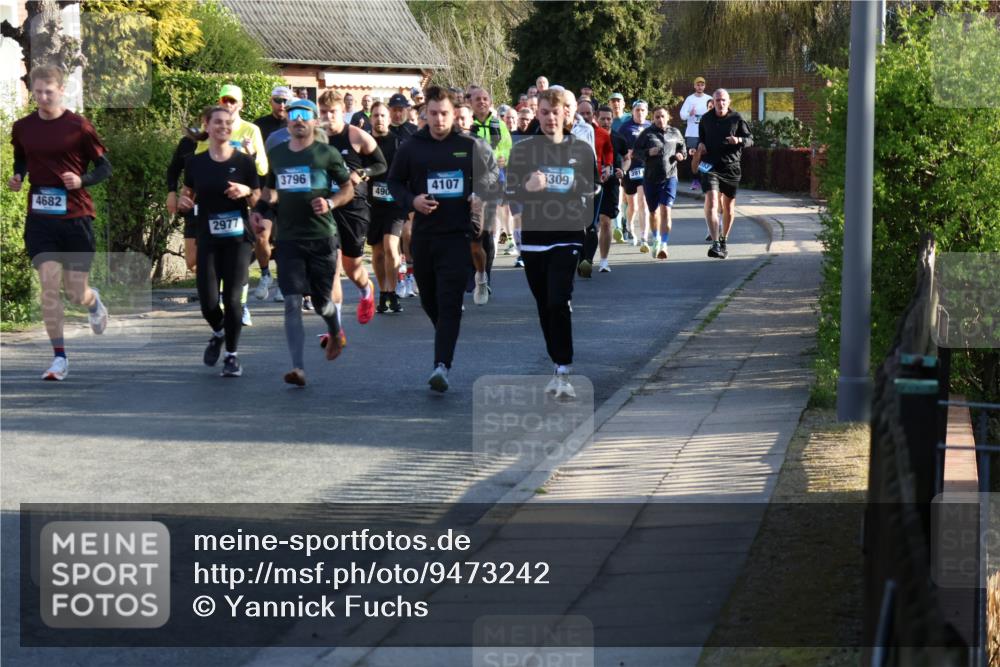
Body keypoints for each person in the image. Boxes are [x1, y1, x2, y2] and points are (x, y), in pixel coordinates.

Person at [387, 85, 498, 392]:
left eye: (444, 114)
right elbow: (394, 182)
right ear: (425, 114)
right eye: (432, 114)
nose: (438, 120)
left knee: (449, 301)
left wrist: (479, 194)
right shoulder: (412, 146)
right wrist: (412, 200)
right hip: (424, 235)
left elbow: (491, 176)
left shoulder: (470, 145)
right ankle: (446, 333)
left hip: (458, 234)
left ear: (455, 113)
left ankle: (441, 366)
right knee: (429, 299)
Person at [8, 65, 111, 381]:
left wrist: (82, 180)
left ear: (61, 90)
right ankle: (59, 358)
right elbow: (22, 157)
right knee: (49, 287)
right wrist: (19, 175)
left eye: (47, 92)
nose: (41, 97)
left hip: (76, 218)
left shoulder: (78, 126)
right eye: (36, 92)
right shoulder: (23, 127)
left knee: (75, 292)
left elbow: (104, 167)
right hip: (40, 219)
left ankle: (93, 303)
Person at [252, 99, 354, 386]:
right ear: (288, 121)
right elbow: (270, 192)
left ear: (313, 121)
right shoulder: (279, 155)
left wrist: (331, 203)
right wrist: (258, 212)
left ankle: (335, 330)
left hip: (321, 237)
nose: (298, 120)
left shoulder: (327, 154)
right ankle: (297, 368)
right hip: (289, 239)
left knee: (322, 303)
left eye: (304, 115)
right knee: (292, 301)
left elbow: (348, 188)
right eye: (293, 115)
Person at [505, 89, 597, 400]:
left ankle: (564, 368)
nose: (549, 118)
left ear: (565, 115)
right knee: (545, 305)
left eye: (555, 112)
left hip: (568, 233)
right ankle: (557, 362)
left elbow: (592, 186)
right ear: (538, 113)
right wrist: (526, 188)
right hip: (534, 239)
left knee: (559, 299)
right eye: (543, 112)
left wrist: (567, 182)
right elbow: (511, 191)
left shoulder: (581, 149)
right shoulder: (524, 150)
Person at [178, 106, 261, 377]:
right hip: (209, 238)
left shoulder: (245, 161)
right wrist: (184, 201)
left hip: (238, 239)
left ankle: (232, 356)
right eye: (218, 122)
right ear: (207, 125)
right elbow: (188, 192)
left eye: (228, 123)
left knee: (234, 299)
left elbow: (258, 199)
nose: (224, 127)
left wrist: (246, 190)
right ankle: (218, 331)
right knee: (209, 302)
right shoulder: (196, 163)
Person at [197, 84, 268, 325]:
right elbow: (197, 160)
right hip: (213, 203)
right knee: (213, 260)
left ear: (240, 105)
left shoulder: (251, 129)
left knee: (240, 257)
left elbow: (263, 169)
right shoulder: (212, 127)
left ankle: (240, 305)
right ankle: (219, 303)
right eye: (224, 99)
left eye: (233, 100)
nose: (228, 104)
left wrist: (251, 155)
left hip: (243, 203)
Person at [317, 90, 386, 327]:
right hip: (325, 208)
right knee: (332, 268)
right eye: (323, 112)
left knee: (351, 267)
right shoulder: (314, 139)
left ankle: (366, 289)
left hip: (354, 208)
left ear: (342, 112)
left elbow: (381, 164)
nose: (328, 117)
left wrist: (362, 173)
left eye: (333, 112)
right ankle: (335, 329)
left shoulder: (356, 136)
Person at [468, 86, 512, 304]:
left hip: (493, 183)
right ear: (471, 103)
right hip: (471, 182)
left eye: (485, 98)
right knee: (472, 231)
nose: (482, 102)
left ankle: (487, 276)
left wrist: (501, 156)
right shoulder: (468, 125)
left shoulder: (499, 124)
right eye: (477, 99)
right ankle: (474, 272)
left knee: (487, 231)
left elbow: (507, 147)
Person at [698, 89, 753, 260]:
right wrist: (700, 145)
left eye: (723, 100)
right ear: (712, 102)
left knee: (728, 206)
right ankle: (715, 242)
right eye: (717, 100)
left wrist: (739, 140)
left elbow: (750, 139)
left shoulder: (737, 118)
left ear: (728, 102)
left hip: (731, 167)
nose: (720, 103)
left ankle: (723, 239)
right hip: (710, 166)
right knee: (712, 200)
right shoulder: (706, 119)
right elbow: (701, 138)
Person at [251, 85, 294, 302]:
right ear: (271, 101)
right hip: (266, 190)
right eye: (278, 100)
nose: (282, 106)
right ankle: (265, 274)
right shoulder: (260, 125)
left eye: (286, 102)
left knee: (284, 239)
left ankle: (281, 281)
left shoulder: (297, 127)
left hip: (288, 193)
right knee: (261, 236)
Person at [632, 105, 687, 260]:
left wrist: (681, 155)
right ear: (653, 118)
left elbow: (683, 149)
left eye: (662, 116)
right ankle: (655, 238)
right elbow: (635, 152)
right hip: (650, 178)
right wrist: (648, 152)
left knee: (666, 211)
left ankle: (664, 244)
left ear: (668, 117)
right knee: (653, 212)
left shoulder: (675, 132)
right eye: (657, 117)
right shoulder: (647, 134)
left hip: (670, 177)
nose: (660, 119)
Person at [367, 101, 407, 313]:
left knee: (391, 247)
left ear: (389, 119)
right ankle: (383, 292)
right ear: (370, 118)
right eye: (376, 116)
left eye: (383, 115)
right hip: (372, 204)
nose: (379, 119)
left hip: (395, 203)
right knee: (378, 252)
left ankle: (393, 291)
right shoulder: (365, 142)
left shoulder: (398, 143)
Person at [577, 99, 614, 275]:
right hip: (574, 182)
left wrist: (608, 166)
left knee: (591, 223)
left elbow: (608, 151)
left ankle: (588, 261)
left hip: (595, 181)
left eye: (588, 113)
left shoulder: (602, 133)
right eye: (581, 113)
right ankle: (579, 257)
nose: (584, 117)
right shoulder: (570, 131)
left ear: (594, 115)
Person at [166, 114, 204, 274]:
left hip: (218, 206)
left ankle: (216, 291)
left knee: (217, 255)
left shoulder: (227, 144)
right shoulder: (188, 143)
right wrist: (172, 193)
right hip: (192, 204)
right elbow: (173, 170)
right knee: (192, 262)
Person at [595, 105, 628, 271]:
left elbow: (628, 156)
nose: (606, 122)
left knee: (606, 222)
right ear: (596, 118)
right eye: (603, 119)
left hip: (612, 184)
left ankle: (603, 261)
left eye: (609, 119)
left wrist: (624, 170)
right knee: (591, 225)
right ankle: (585, 257)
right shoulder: (590, 136)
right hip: (592, 182)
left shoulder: (618, 138)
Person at [617, 99, 651, 251]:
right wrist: (626, 154)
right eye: (637, 110)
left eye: (643, 110)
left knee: (643, 202)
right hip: (631, 168)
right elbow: (618, 148)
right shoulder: (625, 128)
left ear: (646, 112)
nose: (640, 113)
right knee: (633, 205)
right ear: (632, 112)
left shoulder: (651, 126)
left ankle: (644, 237)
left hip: (647, 168)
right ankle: (629, 225)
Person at [679, 76, 711, 192]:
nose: (700, 87)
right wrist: (690, 114)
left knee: (706, 156)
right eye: (698, 85)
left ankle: (704, 178)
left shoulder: (709, 99)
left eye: (702, 85)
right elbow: (682, 115)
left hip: (706, 134)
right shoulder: (690, 99)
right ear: (694, 86)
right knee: (695, 157)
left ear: (704, 86)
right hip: (692, 133)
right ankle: (696, 180)